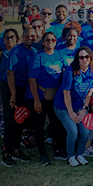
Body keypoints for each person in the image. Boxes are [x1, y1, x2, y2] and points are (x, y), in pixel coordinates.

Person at [27, 32, 67, 164]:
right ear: (43, 42)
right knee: (39, 126)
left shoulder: (59, 55)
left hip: (55, 97)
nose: (50, 42)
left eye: (53, 39)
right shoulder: (38, 57)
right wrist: (36, 101)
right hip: (40, 97)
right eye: (47, 40)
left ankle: (58, 148)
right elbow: (32, 80)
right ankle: (42, 154)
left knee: (58, 123)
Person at [0, 25, 38, 167]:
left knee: (20, 120)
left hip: (23, 89)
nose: (30, 38)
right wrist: (13, 95)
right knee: (11, 121)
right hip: (10, 88)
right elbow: (10, 73)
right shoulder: (16, 51)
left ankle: (16, 150)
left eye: (32, 36)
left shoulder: (34, 51)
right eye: (27, 36)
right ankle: (6, 154)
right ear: (22, 37)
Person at [54, 46, 93, 167]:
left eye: (87, 57)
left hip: (80, 105)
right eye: (81, 57)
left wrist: (84, 109)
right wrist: (71, 112)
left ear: (90, 58)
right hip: (63, 105)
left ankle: (80, 154)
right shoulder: (70, 70)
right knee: (73, 131)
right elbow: (66, 92)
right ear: (77, 59)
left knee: (85, 131)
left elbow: (90, 92)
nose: (84, 60)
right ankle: (70, 156)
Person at [0, 29, 19, 140]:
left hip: (19, 87)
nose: (9, 40)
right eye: (7, 37)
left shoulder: (20, 51)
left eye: (12, 37)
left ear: (16, 39)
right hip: (3, 90)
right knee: (4, 114)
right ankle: (5, 136)